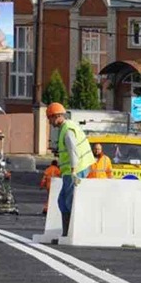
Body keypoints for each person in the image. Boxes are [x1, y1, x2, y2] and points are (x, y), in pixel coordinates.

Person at [46, 102, 95, 237]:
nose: (50, 122)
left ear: (56, 116)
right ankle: (67, 232)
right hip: (73, 170)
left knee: (68, 201)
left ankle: (70, 233)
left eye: (50, 118)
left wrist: (73, 170)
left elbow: (73, 150)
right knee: (64, 200)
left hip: (75, 170)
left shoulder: (67, 130)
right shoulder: (67, 127)